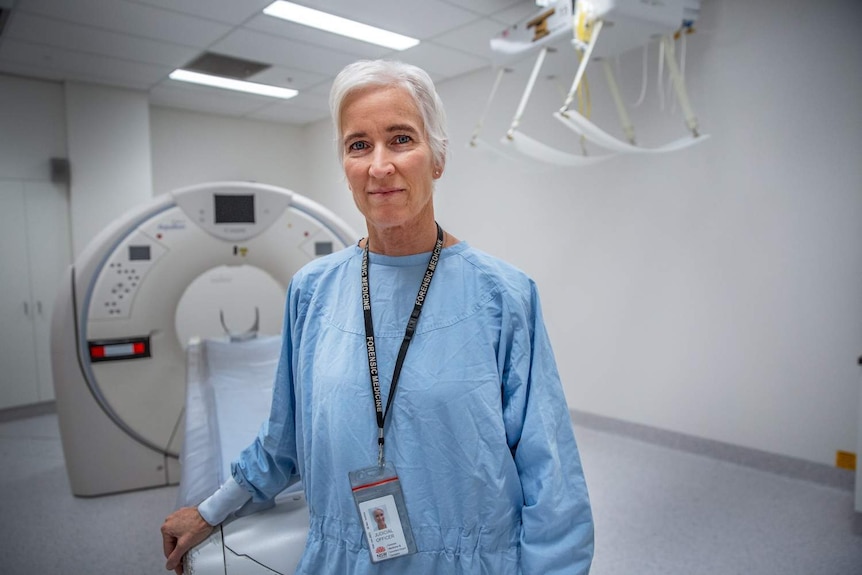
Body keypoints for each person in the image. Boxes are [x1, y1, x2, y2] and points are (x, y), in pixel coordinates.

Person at [161, 59, 594, 575]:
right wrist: (213, 509)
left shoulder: (504, 295)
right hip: (342, 559)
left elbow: (552, 477)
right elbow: (286, 439)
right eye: (358, 145)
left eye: (401, 139)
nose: (379, 165)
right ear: (344, 165)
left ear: (437, 157)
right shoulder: (312, 292)